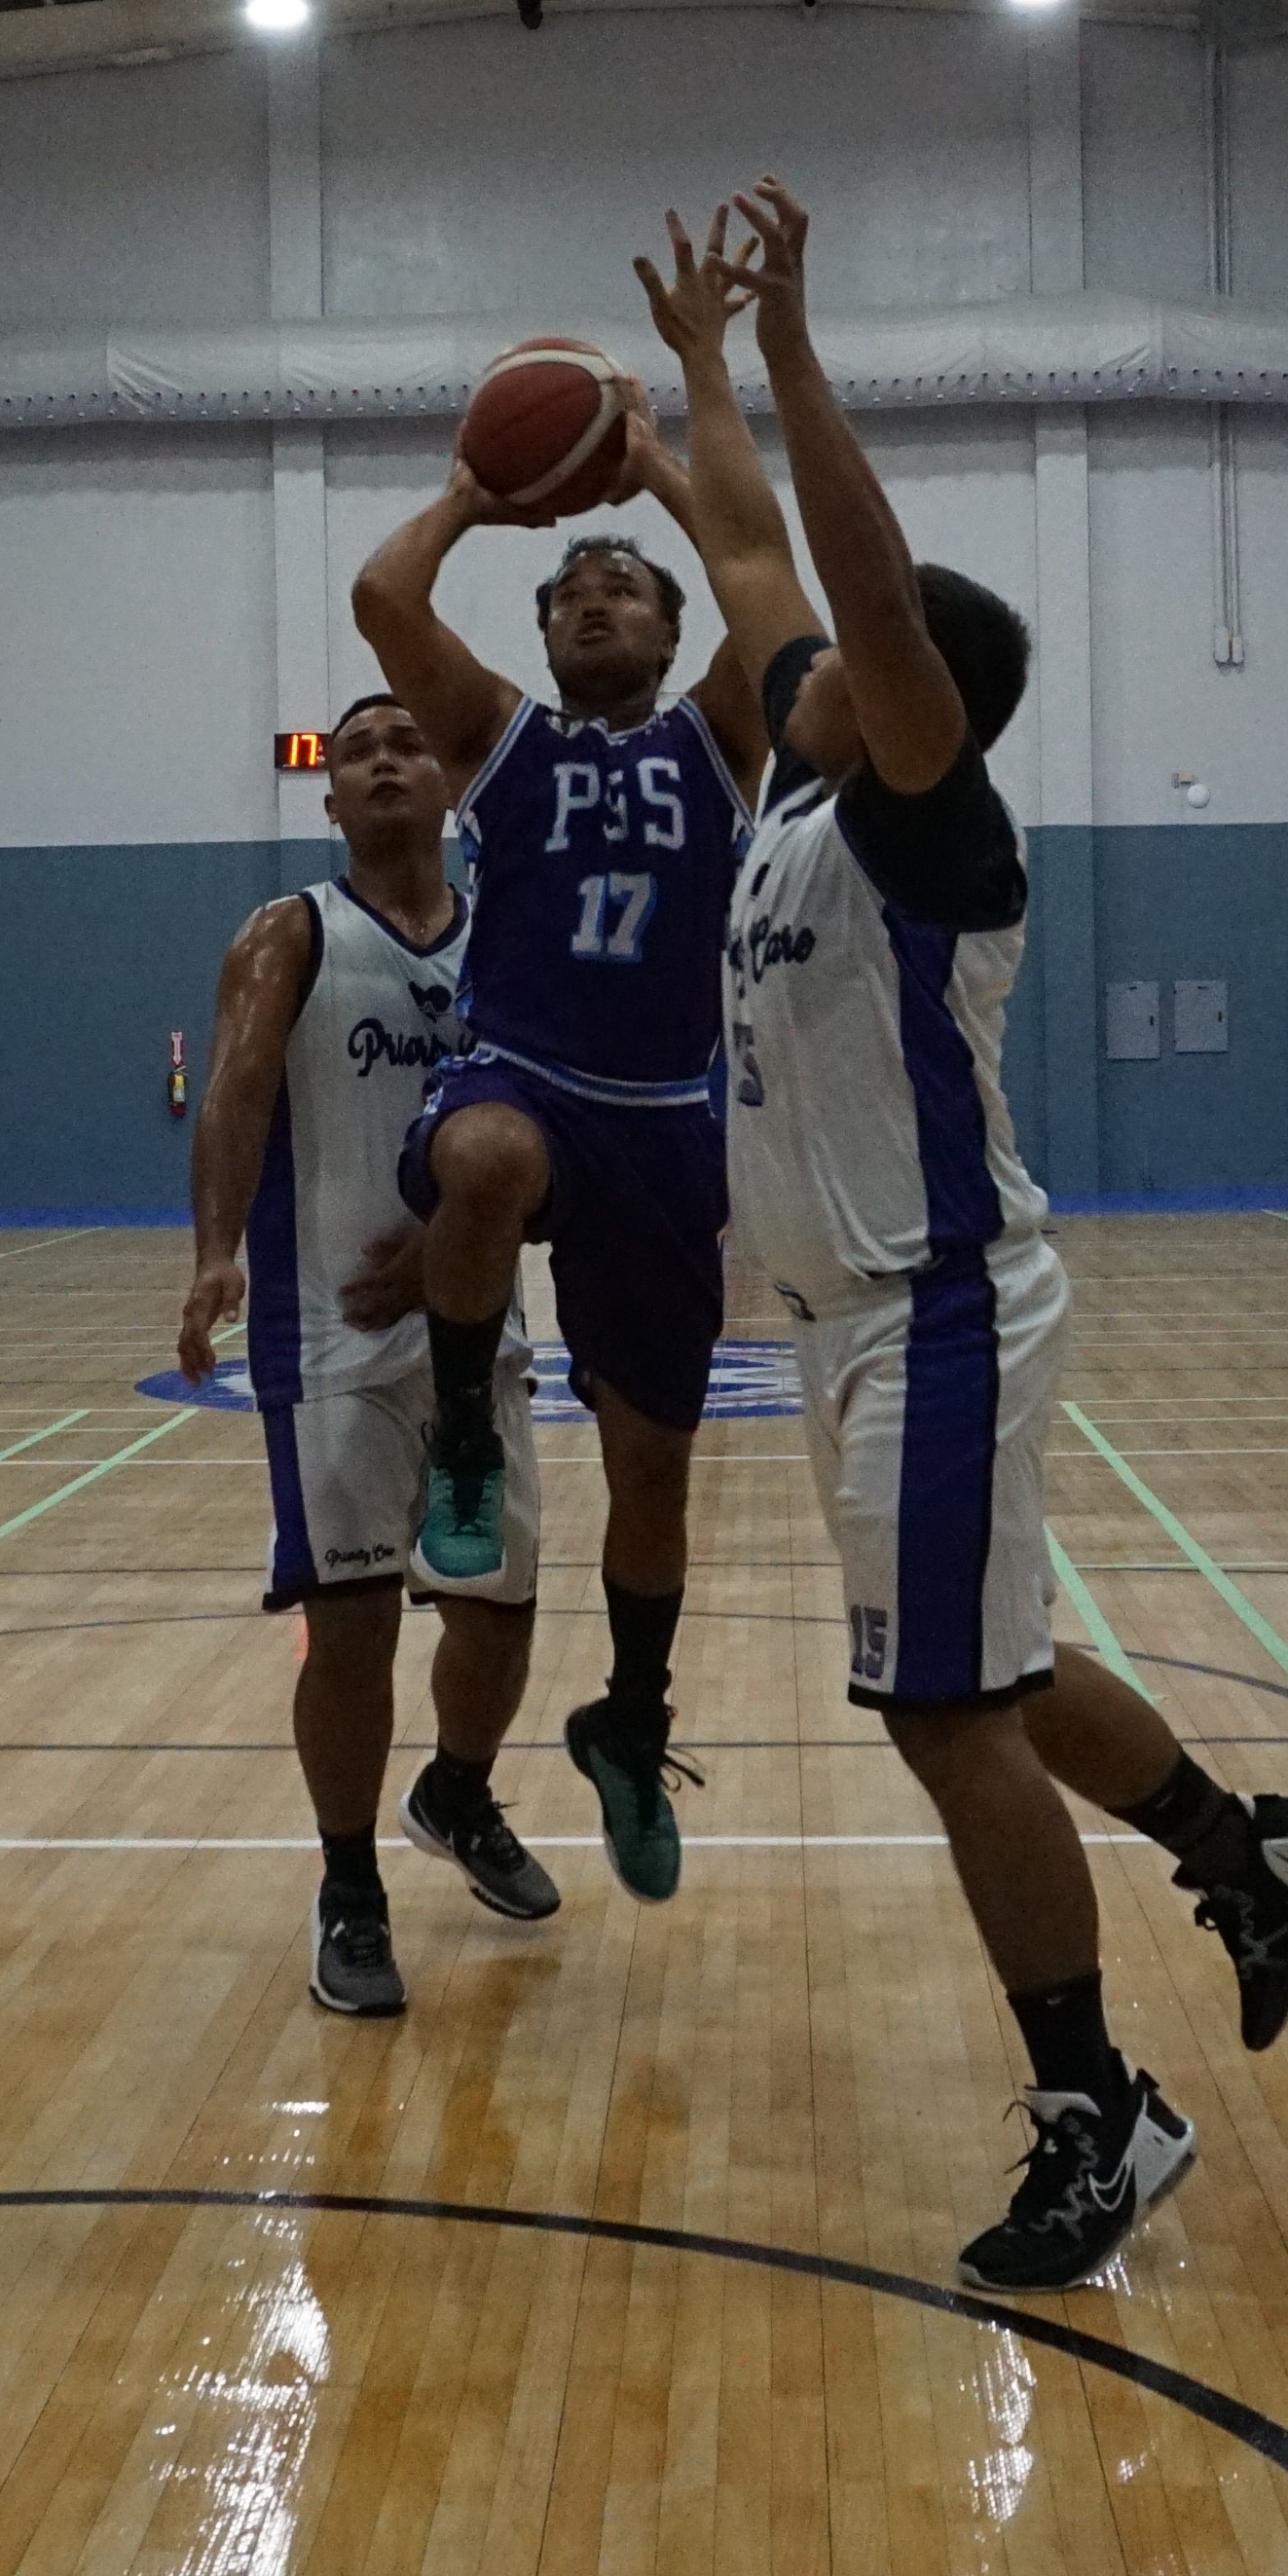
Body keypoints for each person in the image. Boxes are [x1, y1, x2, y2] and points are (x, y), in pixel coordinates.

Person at [644, 177, 1288, 2296]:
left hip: (935, 1308)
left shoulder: (934, 814)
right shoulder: (786, 784)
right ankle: (1247, 1850)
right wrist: (692, 374)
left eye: (865, 650)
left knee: (940, 1719)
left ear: (916, 683)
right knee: (998, 1684)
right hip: (853, 1322)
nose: (809, 658)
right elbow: (756, 550)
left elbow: (835, 572)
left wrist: (787, 352)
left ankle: (1095, 2110)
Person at [351, 415, 766, 1906]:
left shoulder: (721, 739)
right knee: (485, 1151)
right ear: (541, 630)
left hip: (666, 1113)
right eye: (572, 587)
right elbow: (383, 602)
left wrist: (656, 469)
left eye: (625, 587)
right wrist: (474, 494)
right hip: (525, 1069)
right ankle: (467, 1429)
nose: (594, 597)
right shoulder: (502, 740)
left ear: (668, 631)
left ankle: (629, 1720)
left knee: (652, 1473)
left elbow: (768, 583)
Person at [178, 695, 558, 2020]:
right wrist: (214, 1249)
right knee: (349, 1623)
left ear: (450, 781)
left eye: (407, 738)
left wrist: (467, 1236)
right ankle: (349, 1883)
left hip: (481, 1321)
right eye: (355, 749)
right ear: (327, 797)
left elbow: (552, 1112)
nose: (385, 756)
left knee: (501, 1609)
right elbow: (232, 1089)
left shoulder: (508, 938)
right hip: (328, 1321)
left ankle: (454, 1786)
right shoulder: (288, 931)